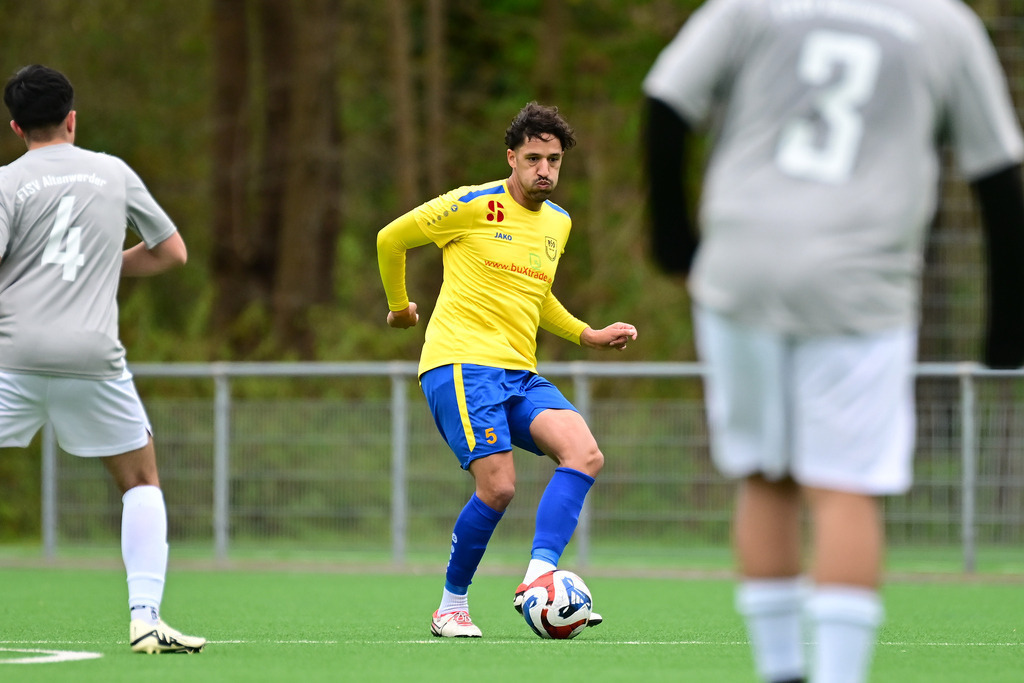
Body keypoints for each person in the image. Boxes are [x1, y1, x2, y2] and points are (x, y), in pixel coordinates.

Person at [643, 1, 1024, 682]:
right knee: (844, 486)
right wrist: (1007, 328)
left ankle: (781, 670)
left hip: (743, 261)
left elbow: (666, 102)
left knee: (765, 474)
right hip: (862, 277)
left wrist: (674, 241)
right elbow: (997, 176)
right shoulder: (944, 24)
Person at [377, 102, 637, 638]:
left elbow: (536, 297)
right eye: (534, 158)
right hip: (461, 363)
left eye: (555, 160)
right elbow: (390, 239)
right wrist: (401, 308)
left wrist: (587, 334)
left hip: (517, 371)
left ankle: (539, 579)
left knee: (585, 453)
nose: (545, 169)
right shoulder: (471, 205)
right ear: (512, 158)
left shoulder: (559, 223)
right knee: (498, 488)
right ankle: (451, 606)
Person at [0, 65, 206, 654]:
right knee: (140, 480)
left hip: (12, 353)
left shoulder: (7, 182)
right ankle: (145, 619)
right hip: (92, 356)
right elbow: (172, 253)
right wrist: (98, 266)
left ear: (17, 127)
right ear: (72, 118)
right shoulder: (113, 172)